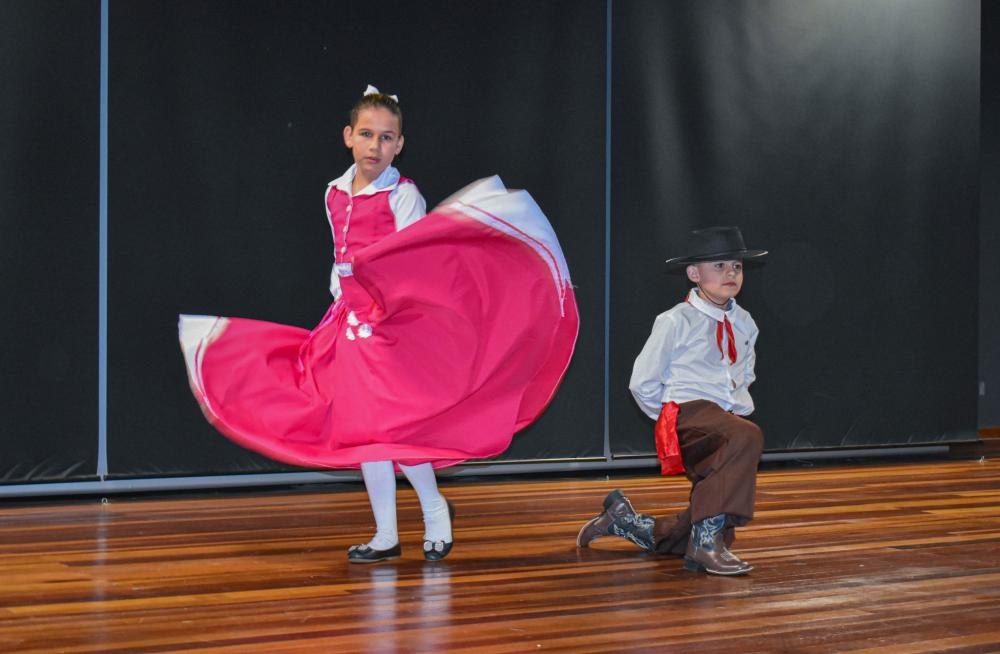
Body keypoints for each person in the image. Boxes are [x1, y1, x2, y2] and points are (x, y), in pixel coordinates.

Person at [179, 86, 578, 564]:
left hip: (393, 325)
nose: (375, 146)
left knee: (398, 427)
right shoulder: (333, 192)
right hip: (349, 324)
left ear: (400, 144)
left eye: (386, 138)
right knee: (364, 428)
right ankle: (385, 532)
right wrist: (340, 292)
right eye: (366, 134)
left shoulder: (403, 194)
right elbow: (338, 254)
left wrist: (378, 296)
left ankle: (434, 510)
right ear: (348, 137)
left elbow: (413, 260)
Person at [577, 226, 766, 575]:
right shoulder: (675, 320)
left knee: (705, 523)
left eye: (736, 266)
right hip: (687, 414)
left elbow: (745, 373)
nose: (730, 273)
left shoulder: (744, 323)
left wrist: (732, 415)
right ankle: (706, 546)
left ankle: (623, 521)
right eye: (719, 266)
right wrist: (669, 417)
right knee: (747, 436)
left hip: (722, 421)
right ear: (694, 274)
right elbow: (643, 381)